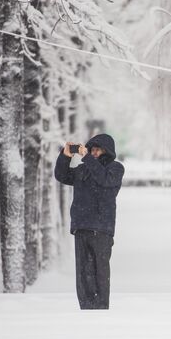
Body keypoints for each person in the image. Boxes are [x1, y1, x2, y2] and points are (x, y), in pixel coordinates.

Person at [54, 133, 125, 310]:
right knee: (83, 274)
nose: (93, 153)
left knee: (100, 272)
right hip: (81, 227)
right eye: (91, 149)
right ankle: (86, 308)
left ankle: (101, 309)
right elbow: (61, 176)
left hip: (102, 229)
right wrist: (65, 155)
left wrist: (86, 157)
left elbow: (103, 179)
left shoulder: (115, 169)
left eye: (97, 150)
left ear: (107, 151)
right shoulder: (83, 170)